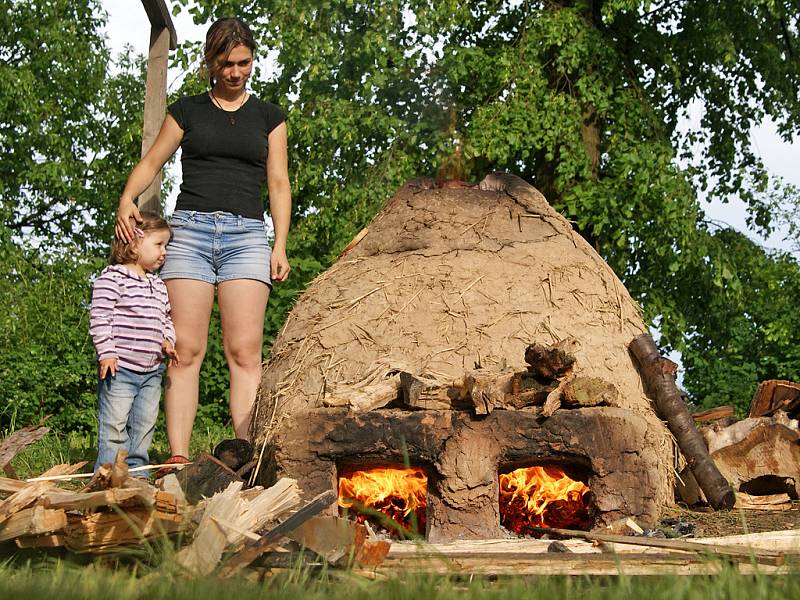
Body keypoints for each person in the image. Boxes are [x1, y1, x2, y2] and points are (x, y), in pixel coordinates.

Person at [115, 17, 291, 469]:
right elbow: (153, 160)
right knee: (186, 350)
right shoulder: (187, 111)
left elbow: (278, 183)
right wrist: (126, 197)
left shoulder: (270, 117)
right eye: (226, 63)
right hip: (190, 234)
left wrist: (280, 244)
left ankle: (247, 458)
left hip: (248, 236)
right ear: (211, 62)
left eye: (244, 62)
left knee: (244, 351)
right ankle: (176, 458)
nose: (235, 72)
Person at [90, 212, 179, 471]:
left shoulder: (158, 285)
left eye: (167, 245)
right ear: (134, 242)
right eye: (159, 244)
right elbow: (100, 317)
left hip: (151, 372)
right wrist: (106, 352)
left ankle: (136, 473)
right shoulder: (112, 278)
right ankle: (107, 474)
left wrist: (167, 341)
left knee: (143, 424)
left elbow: (166, 319)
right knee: (114, 425)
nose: (164, 252)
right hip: (121, 369)